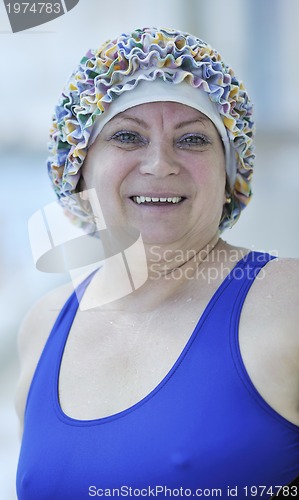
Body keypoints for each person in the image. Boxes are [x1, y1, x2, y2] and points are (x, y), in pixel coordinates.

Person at [16, 27, 299, 499]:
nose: (160, 164)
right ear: (78, 166)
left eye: (191, 140)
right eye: (128, 136)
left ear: (230, 172)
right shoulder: (44, 326)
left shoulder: (285, 302)